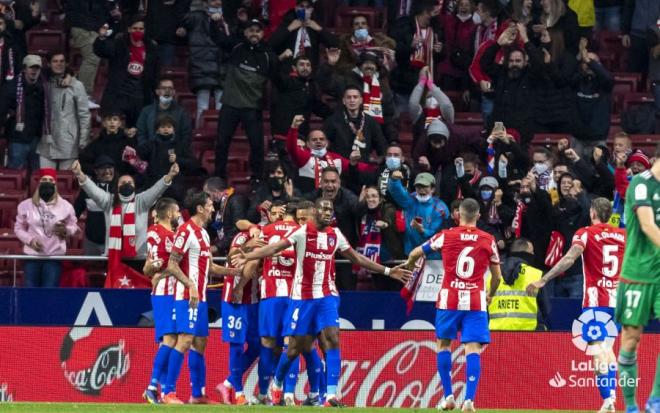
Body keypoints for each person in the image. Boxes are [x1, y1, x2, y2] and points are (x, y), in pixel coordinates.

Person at [231, 198, 412, 407]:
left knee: (332, 339)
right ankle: (278, 382)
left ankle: (330, 396)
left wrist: (388, 271)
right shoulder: (302, 232)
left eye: (331, 209)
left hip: (327, 295)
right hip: (302, 298)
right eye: (324, 209)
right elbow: (273, 249)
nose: (328, 212)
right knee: (294, 348)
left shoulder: (335, 235)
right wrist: (248, 256)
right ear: (315, 212)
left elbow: (356, 257)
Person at [527, 197, 626, 413]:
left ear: (592, 213)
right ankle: (611, 396)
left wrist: (544, 279)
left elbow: (570, 258)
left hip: (596, 299)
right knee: (607, 348)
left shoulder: (586, 233)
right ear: (610, 215)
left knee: (596, 348)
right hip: (619, 301)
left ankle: (608, 398)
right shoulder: (623, 235)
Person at [404, 198, 502, 412]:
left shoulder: (445, 236)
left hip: (449, 300)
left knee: (443, 344)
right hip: (476, 301)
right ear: (478, 216)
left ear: (458, 215)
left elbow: (414, 253)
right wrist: (490, 295)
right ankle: (469, 400)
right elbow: (497, 278)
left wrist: (411, 267)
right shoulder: (488, 239)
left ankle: (448, 396)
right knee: (472, 348)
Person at [161, 191, 239, 404]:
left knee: (200, 343)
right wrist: (190, 285)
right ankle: (168, 392)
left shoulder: (204, 234)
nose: (213, 209)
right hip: (187, 296)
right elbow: (172, 264)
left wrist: (234, 272)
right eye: (209, 205)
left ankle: (197, 395)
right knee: (184, 340)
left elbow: (210, 266)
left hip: (201, 298)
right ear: (199, 208)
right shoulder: (185, 231)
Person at [614, 144, 660, 413]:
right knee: (631, 339)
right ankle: (630, 406)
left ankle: (655, 401)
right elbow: (647, 224)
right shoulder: (640, 185)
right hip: (637, 273)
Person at [213, 18, 278, 183]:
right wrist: (213, 23)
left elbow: (278, 80)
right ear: (245, 32)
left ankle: (258, 178)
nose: (254, 33)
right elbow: (217, 38)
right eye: (251, 30)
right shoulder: (236, 46)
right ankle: (218, 177)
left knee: (257, 145)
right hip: (230, 105)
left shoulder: (268, 55)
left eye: (257, 30)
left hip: (252, 107)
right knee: (221, 143)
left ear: (263, 34)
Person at [70, 159, 179, 256]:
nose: (126, 184)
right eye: (123, 182)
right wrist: (79, 173)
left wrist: (170, 175)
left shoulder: (141, 201)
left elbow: (156, 190)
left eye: (129, 182)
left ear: (134, 186)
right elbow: (93, 190)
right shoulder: (109, 201)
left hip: (138, 256)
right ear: (117, 187)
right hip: (114, 257)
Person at [215, 212, 266, 406]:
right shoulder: (245, 235)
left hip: (252, 299)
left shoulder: (265, 233)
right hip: (234, 298)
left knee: (257, 345)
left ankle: (228, 382)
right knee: (236, 345)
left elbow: (241, 220)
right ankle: (238, 392)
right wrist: (248, 245)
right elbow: (231, 257)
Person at [142, 197, 181, 404]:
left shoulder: (163, 234)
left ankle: (164, 391)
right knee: (170, 339)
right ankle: (152, 387)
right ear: (169, 214)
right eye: (176, 212)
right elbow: (154, 266)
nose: (179, 216)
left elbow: (149, 267)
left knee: (169, 340)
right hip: (165, 292)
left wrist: (155, 273)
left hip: (170, 291)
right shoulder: (160, 233)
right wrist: (160, 274)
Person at [14, 168, 79, 287]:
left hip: (54, 256)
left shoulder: (66, 206)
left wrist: (66, 231)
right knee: (30, 291)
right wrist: (30, 240)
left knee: (49, 291)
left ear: (55, 183)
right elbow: (18, 228)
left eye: (51, 180)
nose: (47, 182)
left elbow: (74, 225)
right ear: (39, 182)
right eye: (44, 180)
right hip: (32, 256)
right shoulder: (25, 205)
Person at [93, 16, 159, 127]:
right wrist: (101, 38)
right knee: (115, 129)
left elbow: (155, 72)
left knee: (135, 131)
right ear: (129, 29)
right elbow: (102, 51)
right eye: (135, 28)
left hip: (140, 96)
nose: (138, 31)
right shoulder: (119, 44)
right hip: (119, 94)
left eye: (141, 29)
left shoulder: (151, 48)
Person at [286, 115, 376, 194]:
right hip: (309, 202)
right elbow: (291, 148)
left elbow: (360, 166)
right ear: (308, 144)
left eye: (321, 139)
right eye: (314, 139)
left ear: (327, 143)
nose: (318, 141)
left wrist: (378, 169)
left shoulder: (336, 159)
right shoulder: (304, 157)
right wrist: (294, 128)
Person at [304, 166, 360, 290]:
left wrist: (364, 205)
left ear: (339, 183)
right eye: (326, 181)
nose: (330, 185)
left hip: (344, 255)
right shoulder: (312, 198)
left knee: (347, 290)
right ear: (320, 183)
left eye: (333, 181)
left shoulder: (349, 198)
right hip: (318, 254)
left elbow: (360, 212)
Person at [182, 0, 232, 127]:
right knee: (202, 106)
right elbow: (182, 20)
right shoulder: (196, 16)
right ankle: (199, 133)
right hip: (201, 66)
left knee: (222, 107)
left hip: (222, 65)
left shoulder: (228, 18)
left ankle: (221, 134)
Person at [37, 53, 91, 170]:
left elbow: (84, 115)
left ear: (66, 63)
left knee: (66, 181)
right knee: (45, 180)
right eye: (55, 61)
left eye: (61, 61)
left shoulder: (76, 85)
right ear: (49, 64)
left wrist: (83, 140)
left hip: (68, 142)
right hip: (46, 141)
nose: (59, 64)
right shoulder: (43, 83)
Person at [65, 0, 121, 107]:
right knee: (92, 56)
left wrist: (113, 13)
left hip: (97, 26)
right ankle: (84, 96)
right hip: (83, 26)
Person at [0, 54, 48, 170]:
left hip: (36, 138)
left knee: (35, 174)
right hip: (17, 138)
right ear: (24, 68)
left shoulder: (45, 86)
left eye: (37, 68)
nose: (34, 71)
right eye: (31, 67)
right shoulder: (11, 87)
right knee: (16, 172)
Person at [388, 171, 450, 257]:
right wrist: (394, 180)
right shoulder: (410, 200)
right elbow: (397, 193)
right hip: (410, 253)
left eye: (425, 187)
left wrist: (422, 230)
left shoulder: (441, 209)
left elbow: (438, 234)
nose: (421, 190)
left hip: (432, 256)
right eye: (418, 187)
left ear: (433, 189)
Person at [355, 186, 405, 291]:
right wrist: (360, 203)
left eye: (374, 196)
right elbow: (355, 213)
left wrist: (385, 223)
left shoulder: (388, 208)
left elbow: (389, 217)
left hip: (391, 260)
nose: (370, 199)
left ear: (381, 198)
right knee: (379, 291)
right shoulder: (363, 212)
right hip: (372, 262)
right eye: (367, 197)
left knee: (393, 291)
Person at [270, 55, 332, 140]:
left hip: (302, 134)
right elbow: (274, 75)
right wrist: (279, 59)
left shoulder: (311, 85)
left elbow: (316, 105)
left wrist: (337, 113)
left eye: (308, 65)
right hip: (284, 134)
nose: (305, 68)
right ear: (294, 68)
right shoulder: (286, 81)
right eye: (302, 65)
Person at [487, 238, 542, 331]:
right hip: (528, 335)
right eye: (532, 252)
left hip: (495, 334)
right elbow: (546, 310)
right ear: (526, 254)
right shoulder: (536, 275)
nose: (533, 255)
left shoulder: (491, 275)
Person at [322, 85, 388, 161]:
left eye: (355, 97)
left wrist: (380, 160)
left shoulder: (371, 121)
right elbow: (324, 143)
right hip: (341, 166)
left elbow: (381, 146)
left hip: (364, 166)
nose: (352, 100)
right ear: (343, 101)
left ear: (361, 100)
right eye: (349, 97)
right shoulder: (332, 121)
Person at [268, 0, 338, 68]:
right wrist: (289, 29)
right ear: (296, 8)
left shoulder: (315, 23)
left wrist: (319, 29)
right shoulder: (288, 22)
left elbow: (335, 44)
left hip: (309, 70)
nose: (304, 10)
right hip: (289, 69)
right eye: (301, 6)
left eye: (307, 7)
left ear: (311, 10)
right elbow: (271, 44)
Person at [73, 155, 115, 256]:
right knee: (90, 269)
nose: (107, 171)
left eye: (110, 167)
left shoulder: (119, 188)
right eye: (103, 168)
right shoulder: (87, 189)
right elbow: (76, 211)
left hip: (114, 241)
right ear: (96, 171)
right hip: (91, 240)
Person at [136, 78, 192, 151]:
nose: (167, 91)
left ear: (174, 92)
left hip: (175, 153)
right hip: (151, 153)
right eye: (164, 88)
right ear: (157, 91)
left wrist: (177, 152)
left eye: (170, 88)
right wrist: (147, 150)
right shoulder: (146, 111)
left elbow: (186, 136)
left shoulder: (182, 112)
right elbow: (141, 133)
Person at [79, 110, 138, 177]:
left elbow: (135, 164)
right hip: (101, 180)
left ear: (119, 123)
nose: (112, 122)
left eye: (115, 119)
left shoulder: (127, 142)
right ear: (104, 123)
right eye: (109, 120)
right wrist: (97, 171)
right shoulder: (96, 143)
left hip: (122, 179)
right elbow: (84, 162)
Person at [203, 176, 247, 255]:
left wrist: (217, 246)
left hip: (238, 249)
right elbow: (217, 225)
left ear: (215, 191)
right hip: (226, 248)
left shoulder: (236, 200)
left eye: (208, 194)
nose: (207, 198)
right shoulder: (220, 203)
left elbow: (237, 228)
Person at [247, 160, 300, 225]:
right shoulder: (261, 191)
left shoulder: (295, 192)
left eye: (279, 172)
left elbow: (298, 216)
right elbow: (250, 217)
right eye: (272, 173)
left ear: (285, 177)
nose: (275, 175)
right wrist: (259, 208)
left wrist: (290, 198)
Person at [144, 0, 189, 66]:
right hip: (152, 40)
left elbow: (184, 20)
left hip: (169, 41)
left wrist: (183, 29)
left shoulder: (182, 5)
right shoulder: (153, 4)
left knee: (164, 70)